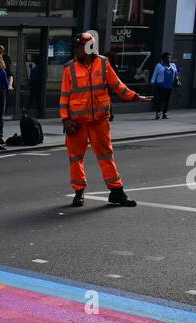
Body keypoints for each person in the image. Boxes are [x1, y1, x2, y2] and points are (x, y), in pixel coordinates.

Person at [59, 32, 150, 207]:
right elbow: (64, 96)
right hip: (77, 123)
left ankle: (116, 192)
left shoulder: (103, 63)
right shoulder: (69, 68)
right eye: (77, 46)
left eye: (80, 46)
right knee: (76, 158)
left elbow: (117, 85)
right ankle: (79, 193)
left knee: (106, 156)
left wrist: (135, 97)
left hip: (99, 120)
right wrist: (65, 120)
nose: (77, 49)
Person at [150, 52, 179, 119]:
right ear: (163, 59)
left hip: (169, 85)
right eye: (167, 58)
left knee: (167, 100)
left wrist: (177, 80)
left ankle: (165, 113)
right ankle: (158, 113)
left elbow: (176, 74)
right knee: (160, 100)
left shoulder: (173, 65)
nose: (168, 59)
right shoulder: (159, 65)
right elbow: (154, 75)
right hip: (161, 85)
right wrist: (152, 83)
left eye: (169, 57)